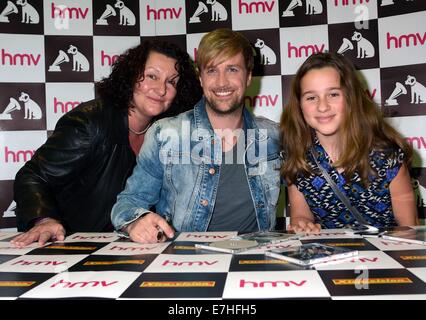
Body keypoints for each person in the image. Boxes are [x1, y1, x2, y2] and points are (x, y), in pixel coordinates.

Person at [11, 40, 202, 247]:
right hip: (74, 249)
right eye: (152, 76)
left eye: (172, 82)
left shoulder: (168, 133)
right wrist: (44, 220)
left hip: (131, 251)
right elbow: (33, 175)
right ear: (130, 76)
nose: (161, 89)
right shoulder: (90, 123)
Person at [111, 28, 281, 244]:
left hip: (258, 262)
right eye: (211, 71)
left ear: (248, 77)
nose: (221, 82)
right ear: (200, 78)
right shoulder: (165, 135)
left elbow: (306, 187)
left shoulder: (274, 136)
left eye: (232, 69)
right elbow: (127, 203)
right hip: (186, 262)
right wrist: (137, 221)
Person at [279, 52, 417, 233]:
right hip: (327, 256)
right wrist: (303, 224)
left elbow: (409, 228)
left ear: (351, 97)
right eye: (311, 97)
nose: (322, 106)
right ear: (299, 105)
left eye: (333, 94)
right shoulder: (295, 156)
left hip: (385, 255)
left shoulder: (387, 155)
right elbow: (301, 215)